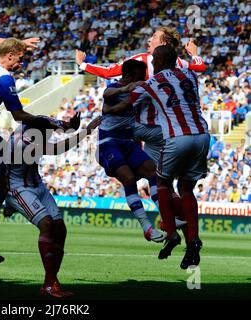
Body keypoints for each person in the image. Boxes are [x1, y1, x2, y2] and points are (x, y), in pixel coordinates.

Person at [0, 37, 79, 263]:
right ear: (10, 55)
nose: (21, 64)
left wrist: (17, 42)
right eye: (20, 59)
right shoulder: (4, 79)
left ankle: (10, 203)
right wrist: (56, 123)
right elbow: (19, 116)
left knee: (12, 163)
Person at [77, 26, 194, 232]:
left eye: (154, 37)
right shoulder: (183, 65)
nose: (149, 40)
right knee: (158, 178)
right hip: (164, 130)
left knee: (136, 177)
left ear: (164, 44)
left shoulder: (140, 60)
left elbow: (110, 72)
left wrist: (83, 64)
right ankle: (174, 221)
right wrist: (196, 55)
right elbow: (197, 70)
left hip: (137, 128)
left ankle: (163, 219)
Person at [105, 45, 210, 269]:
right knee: (187, 189)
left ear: (158, 62)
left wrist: (106, 114)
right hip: (202, 135)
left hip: (177, 137)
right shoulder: (190, 75)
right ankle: (193, 239)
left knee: (162, 181)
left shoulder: (152, 83)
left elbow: (125, 103)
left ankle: (171, 232)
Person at [4, 115, 102, 297]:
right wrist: (86, 131)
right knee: (47, 225)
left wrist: (69, 126)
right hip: (17, 187)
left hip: (36, 183)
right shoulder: (22, 144)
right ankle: (50, 283)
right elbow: (57, 148)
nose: (48, 136)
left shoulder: (38, 122)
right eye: (46, 134)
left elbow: (58, 124)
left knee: (60, 228)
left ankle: (50, 282)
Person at [98, 59, 165, 243]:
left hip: (128, 142)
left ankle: (166, 216)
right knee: (128, 178)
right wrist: (125, 89)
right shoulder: (115, 87)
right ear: (127, 76)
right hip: (108, 142)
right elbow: (108, 95)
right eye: (138, 77)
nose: (141, 80)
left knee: (154, 171)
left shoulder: (140, 92)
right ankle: (147, 227)